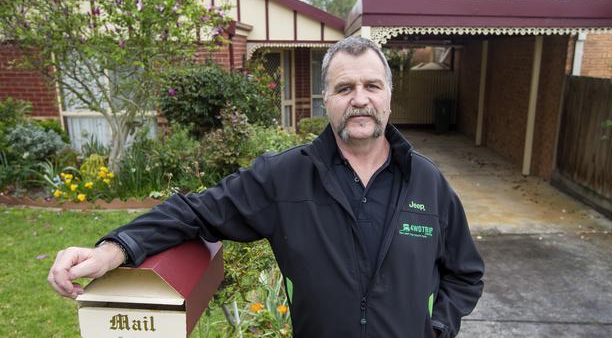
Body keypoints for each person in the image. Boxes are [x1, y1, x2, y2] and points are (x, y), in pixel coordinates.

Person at [48, 36, 484, 338]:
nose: (359, 98)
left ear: (389, 95)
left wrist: (439, 327)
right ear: (326, 99)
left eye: (372, 85)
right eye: (344, 87)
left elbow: (466, 273)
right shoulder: (285, 177)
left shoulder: (428, 183)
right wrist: (112, 250)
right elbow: (195, 211)